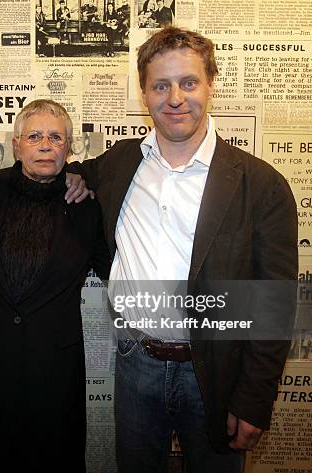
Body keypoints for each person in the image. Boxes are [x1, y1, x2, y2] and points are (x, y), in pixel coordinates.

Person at [70, 27, 298, 473]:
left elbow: (274, 302)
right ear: (144, 94)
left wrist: (254, 399)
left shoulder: (261, 184)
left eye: (188, 82)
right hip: (135, 363)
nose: (175, 98)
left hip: (215, 372)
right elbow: (75, 171)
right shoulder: (120, 163)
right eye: (161, 85)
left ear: (210, 85)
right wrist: (74, 175)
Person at [0, 99, 110, 473]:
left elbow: (116, 269)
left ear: (69, 146)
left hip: (55, 372)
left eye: (55, 137)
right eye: (34, 136)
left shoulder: (88, 208)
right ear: (16, 145)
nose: (45, 145)